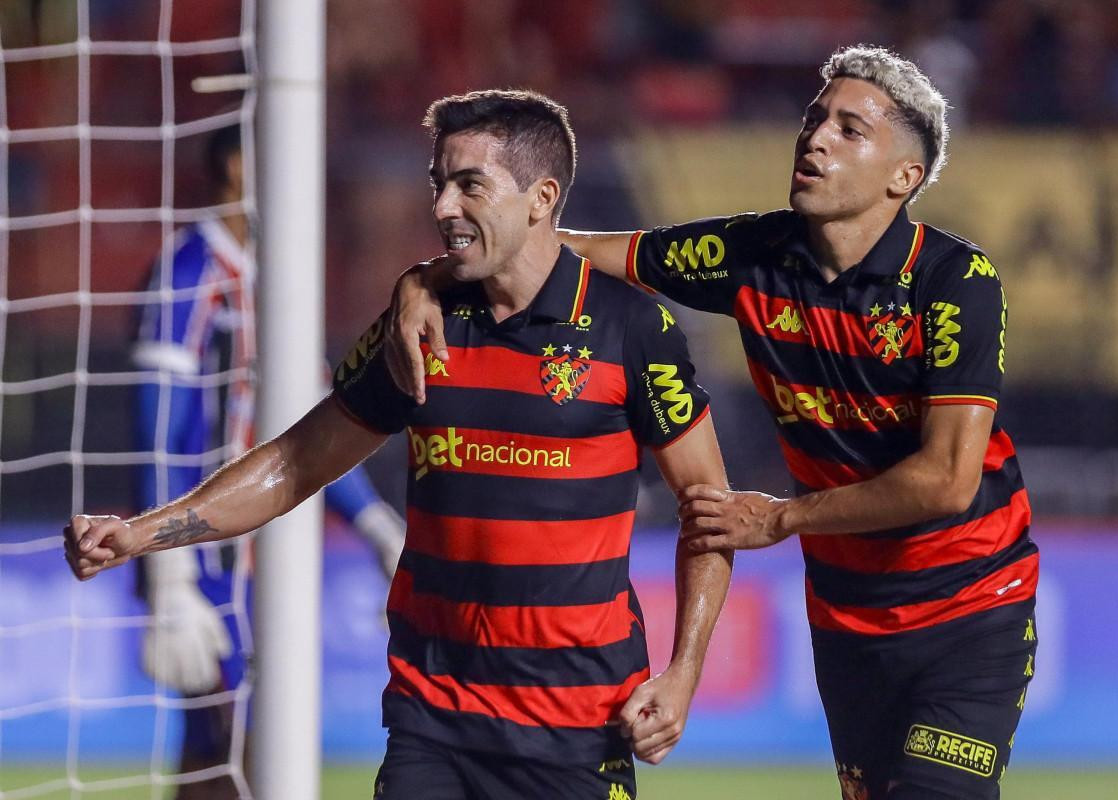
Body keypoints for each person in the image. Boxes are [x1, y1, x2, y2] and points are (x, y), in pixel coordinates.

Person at [389, 47, 1038, 800]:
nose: (816, 138)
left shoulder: (954, 282)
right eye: (814, 118)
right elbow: (552, 250)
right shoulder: (753, 253)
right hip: (847, 617)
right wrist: (422, 278)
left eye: (850, 129)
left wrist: (783, 517)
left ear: (904, 178)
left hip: (971, 609)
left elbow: (948, 481)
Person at [70, 90, 733, 800]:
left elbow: (709, 507)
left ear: (541, 198)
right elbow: (298, 460)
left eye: (469, 184)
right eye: (438, 183)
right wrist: (143, 535)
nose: (444, 206)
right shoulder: (419, 322)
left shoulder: (631, 330)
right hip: (433, 717)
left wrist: (683, 673)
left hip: (578, 726)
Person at [132, 125, 406, 800]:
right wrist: (168, 569)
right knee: (238, 745)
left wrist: (375, 526)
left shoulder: (274, 285)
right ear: (233, 168)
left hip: (270, 557)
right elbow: (155, 424)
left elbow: (313, 426)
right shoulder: (188, 272)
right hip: (206, 556)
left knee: (226, 750)